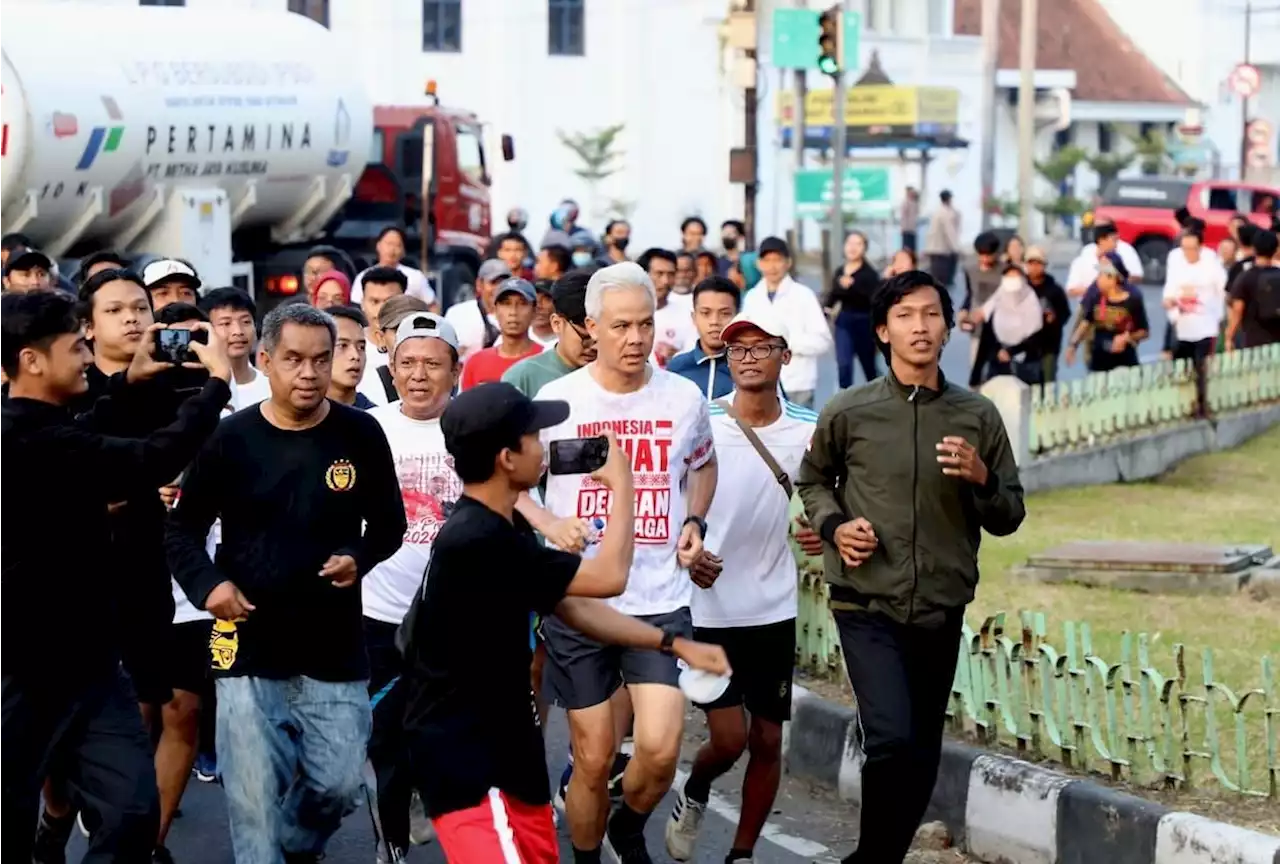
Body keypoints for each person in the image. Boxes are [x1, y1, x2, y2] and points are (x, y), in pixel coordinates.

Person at [401, 382, 729, 864]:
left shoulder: (500, 528)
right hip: (470, 765)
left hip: (511, 757)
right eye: (534, 437)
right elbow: (610, 577)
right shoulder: (476, 541)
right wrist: (624, 485)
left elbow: (573, 606)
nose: (546, 447)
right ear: (507, 458)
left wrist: (670, 644)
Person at [797, 270, 1025, 864]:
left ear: (948, 327)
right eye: (905, 316)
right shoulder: (850, 410)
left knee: (922, 749)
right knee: (891, 739)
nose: (919, 326)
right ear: (882, 330)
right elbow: (814, 481)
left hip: (940, 603)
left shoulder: (977, 416)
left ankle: (876, 859)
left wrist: (982, 479)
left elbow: (1009, 513)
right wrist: (835, 527)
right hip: (864, 599)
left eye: (930, 314)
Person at [166, 303, 407, 864]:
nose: (309, 373)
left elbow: (390, 525)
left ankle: (295, 849)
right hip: (245, 641)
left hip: (334, 644)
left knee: (339, 786)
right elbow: (181, 529)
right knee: (252, 802)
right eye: (294, 360)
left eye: (321, 360)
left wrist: (358, 555)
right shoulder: (229, 438)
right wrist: (210, 587)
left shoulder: (361, 432)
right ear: (265, 360)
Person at [0, 290, 231, 864]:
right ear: (32, 361)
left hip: (92, 668)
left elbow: (90, 436)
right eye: (76, 345)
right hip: (22, 671)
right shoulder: (21, 440)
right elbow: (147, 458)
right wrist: (217, 386)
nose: (86, 356)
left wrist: (128, 384)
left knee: (132, 813)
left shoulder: (48, 428)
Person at [527, 262, 719, 863]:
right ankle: (585, 857)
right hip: (581, 600)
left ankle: (627, 827)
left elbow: (704, 464)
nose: (635, 339)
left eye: (645, 324)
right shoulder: (557, 401)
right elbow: (508, 486)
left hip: (660, 600)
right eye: (620, 327)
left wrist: (693, 520)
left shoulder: (684, 398)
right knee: (592, 756)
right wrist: (551, 522)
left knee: (660, 750)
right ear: (591, 328)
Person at [664, 307, 824, 863]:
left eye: (761, 347)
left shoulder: (809, 425)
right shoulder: (701, 418)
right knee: (728, 740)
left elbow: (833, 494)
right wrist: (686, 552)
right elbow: (666, 497)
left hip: (772, 604)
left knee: (768, 739)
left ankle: (742, 853)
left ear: (785, 355)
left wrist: (823, 532)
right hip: (705, 605)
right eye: (737, 349)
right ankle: (698, 787)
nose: (748, 357)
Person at [363, 312, 464, 864]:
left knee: (445, 739)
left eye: (432, 363)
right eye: (407, 363)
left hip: (456, 618)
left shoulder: (473, 428)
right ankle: (393, 846)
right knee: (386, 741)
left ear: (455, 370)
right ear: (392, 368)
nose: (419, 375)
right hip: (378, 615)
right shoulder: (368, 429)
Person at [742, 237, 832, 407]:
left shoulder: (804, 295)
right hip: (760, 384)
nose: (772, 266)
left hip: (797, 384)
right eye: (767, 260)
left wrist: (785, 344)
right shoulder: (752, 298)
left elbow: (823, 341)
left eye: (777, 260)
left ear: (788, 262)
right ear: (759, 264)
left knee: (801, 433)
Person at [503, 269, 598, 398]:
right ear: (557, 324)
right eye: (585, 337)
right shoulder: (522, 378)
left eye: (601, 337)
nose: (594, 347)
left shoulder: (621, 375)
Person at [1163, 227, 1226, 417]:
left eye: (1192, 249)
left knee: (1202, 367)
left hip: (1207, 326)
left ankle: (1202, 405)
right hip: (1183, 327)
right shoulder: (1176, 265)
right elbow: (1168, 295)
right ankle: (1183, 406)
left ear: (1200, 247)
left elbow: (1224, 290)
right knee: (1182, 369)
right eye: (1185, 249)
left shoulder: (1211, 266)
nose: (1188, 253)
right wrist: (1171, 303)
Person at [1065, 252, 1149, 373]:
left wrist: (1127, 338)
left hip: (1124, 361)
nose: (1098, 279)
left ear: (1114, 278)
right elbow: (1086, 322)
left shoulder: (1133, 299)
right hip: (1099, 360)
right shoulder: (1095, 296)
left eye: (1102, 275)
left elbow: (1144, 331)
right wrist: (1073, 345)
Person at [460, 278, 543, 389]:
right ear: (495, 310)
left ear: (534, 311)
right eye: (506, 304)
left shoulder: (546, 359)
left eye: (522, 304)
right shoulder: (475, 363)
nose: (513, 312)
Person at [667, 276, 741, 400]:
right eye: (706, 313)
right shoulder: (677, 368)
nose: (714, 321)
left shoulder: (749, 367)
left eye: (725, 313)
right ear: (694, 317)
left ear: (738, 317)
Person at [971, 263, 1046, 385]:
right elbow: (986, 339)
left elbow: (1036, 337)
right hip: (998, 365)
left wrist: (1012, 351)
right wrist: (975, 375)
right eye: (1009, 278)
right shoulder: (996, 302)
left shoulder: (1031, 302)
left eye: (1015, 278)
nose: (1012, 282)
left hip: (1026, 365)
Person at [825, 231, 881, 388]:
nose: (853, 247)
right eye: (850, 243)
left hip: (864, 322)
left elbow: (872, 299)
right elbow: (834, 295)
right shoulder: (839, 271)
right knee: (844, 365)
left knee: (869, 368)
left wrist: (852, 286)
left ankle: (878, 400)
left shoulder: (870, 274)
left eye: (858, 244)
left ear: (864, 248)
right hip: (844, 321)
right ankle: (843, 401)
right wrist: (826, 309)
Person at [201, 287, 272, 410]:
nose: (238, 331)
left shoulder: (272, 386)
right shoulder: (199, 391)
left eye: (245, 322)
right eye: (226, 324)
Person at [637, 248, 696, 369]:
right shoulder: (626, 314)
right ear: (643, 275)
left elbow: (693, 358)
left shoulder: (686, 315)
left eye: (671, 274)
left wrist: (676, 356)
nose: (665, 281)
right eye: (659, 274)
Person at [351, 225, 436, 307]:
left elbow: (432, 305)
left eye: (397, 245)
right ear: (378, 245)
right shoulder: (363, 276)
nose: (392, 249)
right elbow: (356, 306)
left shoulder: (416, 277)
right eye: (389, 244)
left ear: (403, 251)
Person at [1023, 246, 1071, 382]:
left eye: (1038, 263)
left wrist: (1054, 319)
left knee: (1048, 381)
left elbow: (1065, 313)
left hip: (1049, 344)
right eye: (1031, 263)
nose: (1034, 267)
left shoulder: (1054, 290)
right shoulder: (1021, 288)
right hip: (1025, 344)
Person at [1227, 228, 1280, 350]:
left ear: (1254, 249)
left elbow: (1237, 310)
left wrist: (1229, 336)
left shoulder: (1246, 277)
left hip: (1254, 342)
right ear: (1276, 250)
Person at [445, 259, 508, 362]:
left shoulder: (518, 316)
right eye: (493, 283)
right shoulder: (457, 314)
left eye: (503, 283)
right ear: (479, 284)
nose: (498, 289)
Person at [326, 305, 377, 409]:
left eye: (361, 347)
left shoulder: (376, 417)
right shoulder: (297, 414)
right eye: (342, 345)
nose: (355, 356)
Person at [922, 190, 960, 288]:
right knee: (943, 279)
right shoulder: (946, 213)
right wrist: (956, 248)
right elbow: (950, 232)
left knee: (937, 277)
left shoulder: (938, 211)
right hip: (941, 250)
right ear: (949, 199)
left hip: (935, 248)